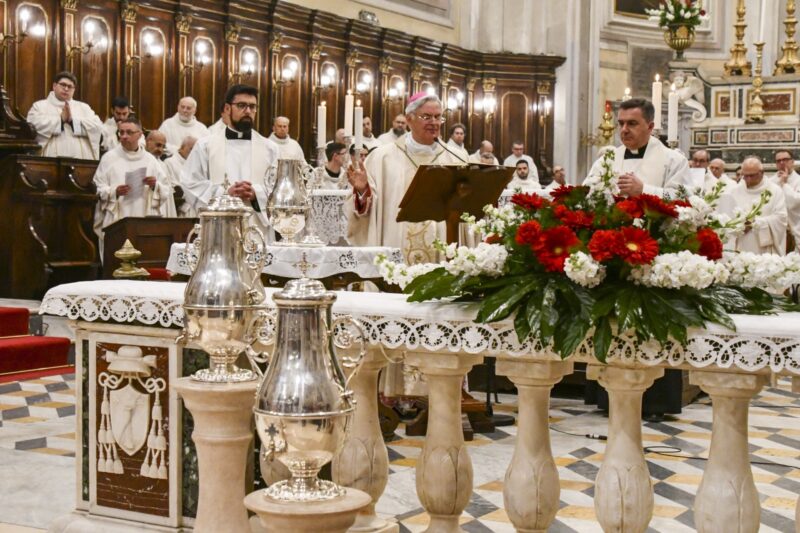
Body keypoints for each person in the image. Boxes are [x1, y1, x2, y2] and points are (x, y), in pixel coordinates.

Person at [346, 92, 464, 264]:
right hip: (396, 250)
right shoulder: (382, 157)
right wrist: (363, 191)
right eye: (427, 117)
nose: (434, 123)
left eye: (438, 117)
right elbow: (367, 211)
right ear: (409, 119)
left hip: (442, 256)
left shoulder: (455, 159)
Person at [181, 84, 279, 236]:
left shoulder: (270, 148)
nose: (248, 111)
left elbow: (278, 188)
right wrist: (224, 193)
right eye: (241, 105)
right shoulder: (205, 146)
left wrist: (256, 193)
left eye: (252, 107)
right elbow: (190, 183)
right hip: (217, 230)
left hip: (258, 231)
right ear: (227, 108)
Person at [92, 117, 171, 256]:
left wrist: (154, 186)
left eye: (129, 132)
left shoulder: (150, 160)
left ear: (140, 134)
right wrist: (114, 192)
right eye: (121, 132)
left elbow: (165, 189)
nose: (124, 136)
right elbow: (98, 187)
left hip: (142, 220)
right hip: (116, 220)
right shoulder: (109, 158)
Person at [585, 98, 691, 198]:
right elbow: (587, 194)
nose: (624, 130)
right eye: (621, 124)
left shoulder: (674, 161)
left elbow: (682, 198)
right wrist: (610, 192)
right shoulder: (607, 160)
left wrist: (644, 190)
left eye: (632, 123)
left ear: (650, 127)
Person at [27, 71, 104, 160]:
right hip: (50, 160)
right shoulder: (39, 106)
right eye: (63, 85)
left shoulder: (84, 107)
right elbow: (32, 126)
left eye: (70, 87)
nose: (66, 89)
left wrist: (73, 122)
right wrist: (60, 120)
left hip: (82, 162)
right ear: (54, 86)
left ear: (74, 90)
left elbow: (98, 126)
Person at [724, 156, 787, 255]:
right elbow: (726, 217)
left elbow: (781, 218)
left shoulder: (775, 191)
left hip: (763, 248)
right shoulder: (734, 191)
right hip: (740, 245)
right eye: (745, 175)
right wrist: (738, 225)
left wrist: (756, 223)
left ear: (762, 173)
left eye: (752, 175)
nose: (748, 179)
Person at [772, 150, 800, 252]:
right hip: (777, 230)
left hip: (796, 228)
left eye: (785, 160)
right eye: (778, 161)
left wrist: (784, 184)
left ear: (792, 162)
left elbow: (795, 202)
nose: (782, 163)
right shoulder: (771, 182)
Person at [145, 130, 177, 217]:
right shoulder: (141, 161)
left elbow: (168, 194)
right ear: (148, 142)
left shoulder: (163, 165)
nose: (160, 150)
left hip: (162, 208)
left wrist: (156, 186)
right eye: (158, 145)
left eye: (163, 147)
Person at [166, 136, 198, 217]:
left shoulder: (196, 165)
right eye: (191, 149)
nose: (193, 152)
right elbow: (172, 186)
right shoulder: (169, 163)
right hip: (181, 206)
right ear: (182, 147)